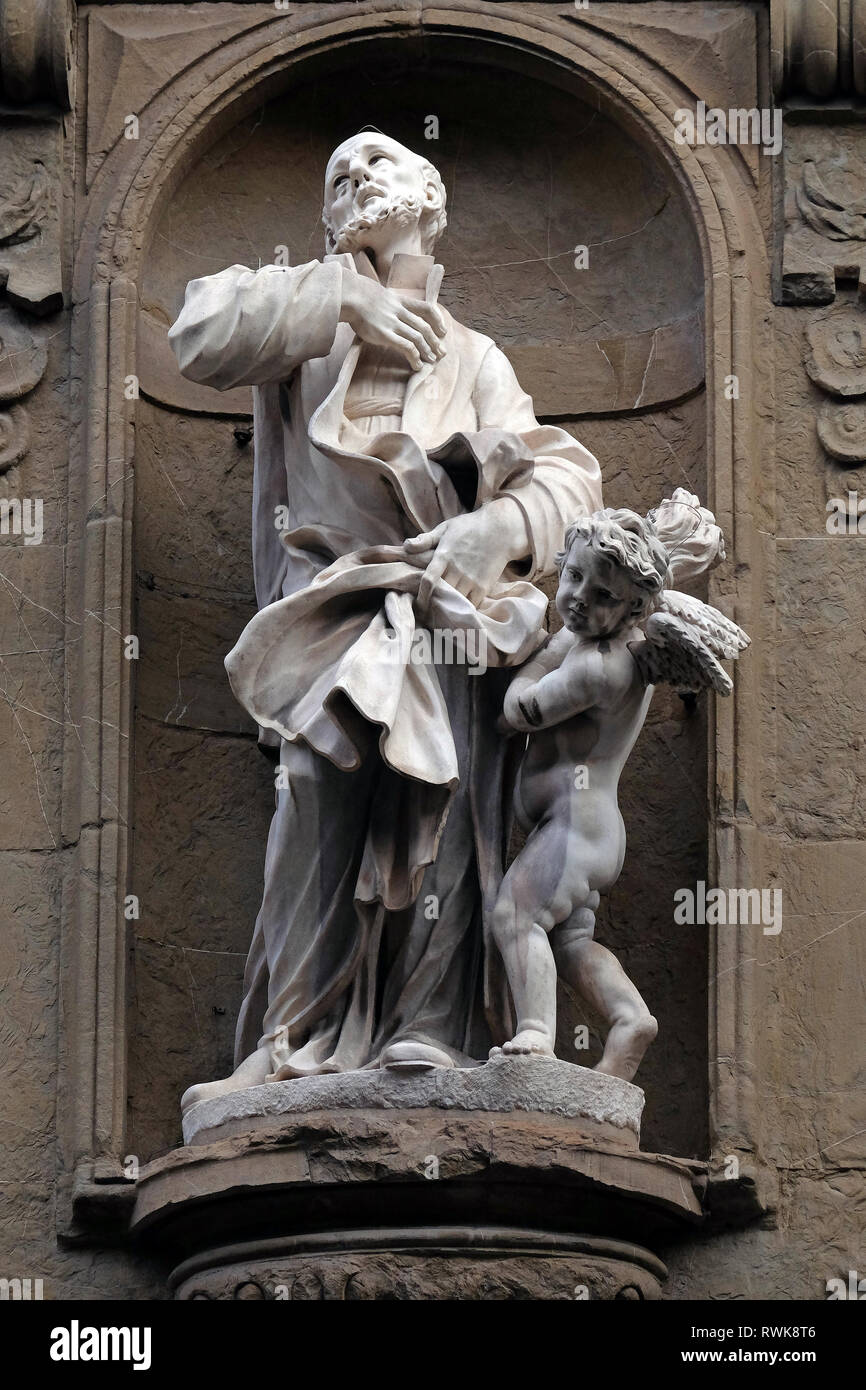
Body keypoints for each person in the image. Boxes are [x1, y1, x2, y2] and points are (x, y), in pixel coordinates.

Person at [168, 131, 603, 1107]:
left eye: (380, 162)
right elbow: (195, 332)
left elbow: (569, 475)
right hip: (332, 607)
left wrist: (497, 526)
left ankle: (424, 1029)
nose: (356, 174)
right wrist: (340, 297)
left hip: (445, 615)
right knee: (316, 790)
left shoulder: (472, 355)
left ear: (431, 194)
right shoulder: (299, 322)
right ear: (326, 219)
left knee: (442, 800)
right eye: (337, 173)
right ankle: (291, 1042)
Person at [490, 497, 749, 1082]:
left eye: (602, 595)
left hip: (575, 829)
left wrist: (527, 652)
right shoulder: (603, 645)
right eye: (574, 577)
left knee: (515, 916)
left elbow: (514, 712)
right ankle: (629, 1017)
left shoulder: (598, 668)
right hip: (586, 831)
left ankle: (535, 1038)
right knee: (571, 940)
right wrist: (556, 643)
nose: (579, 598)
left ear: (636, 607)